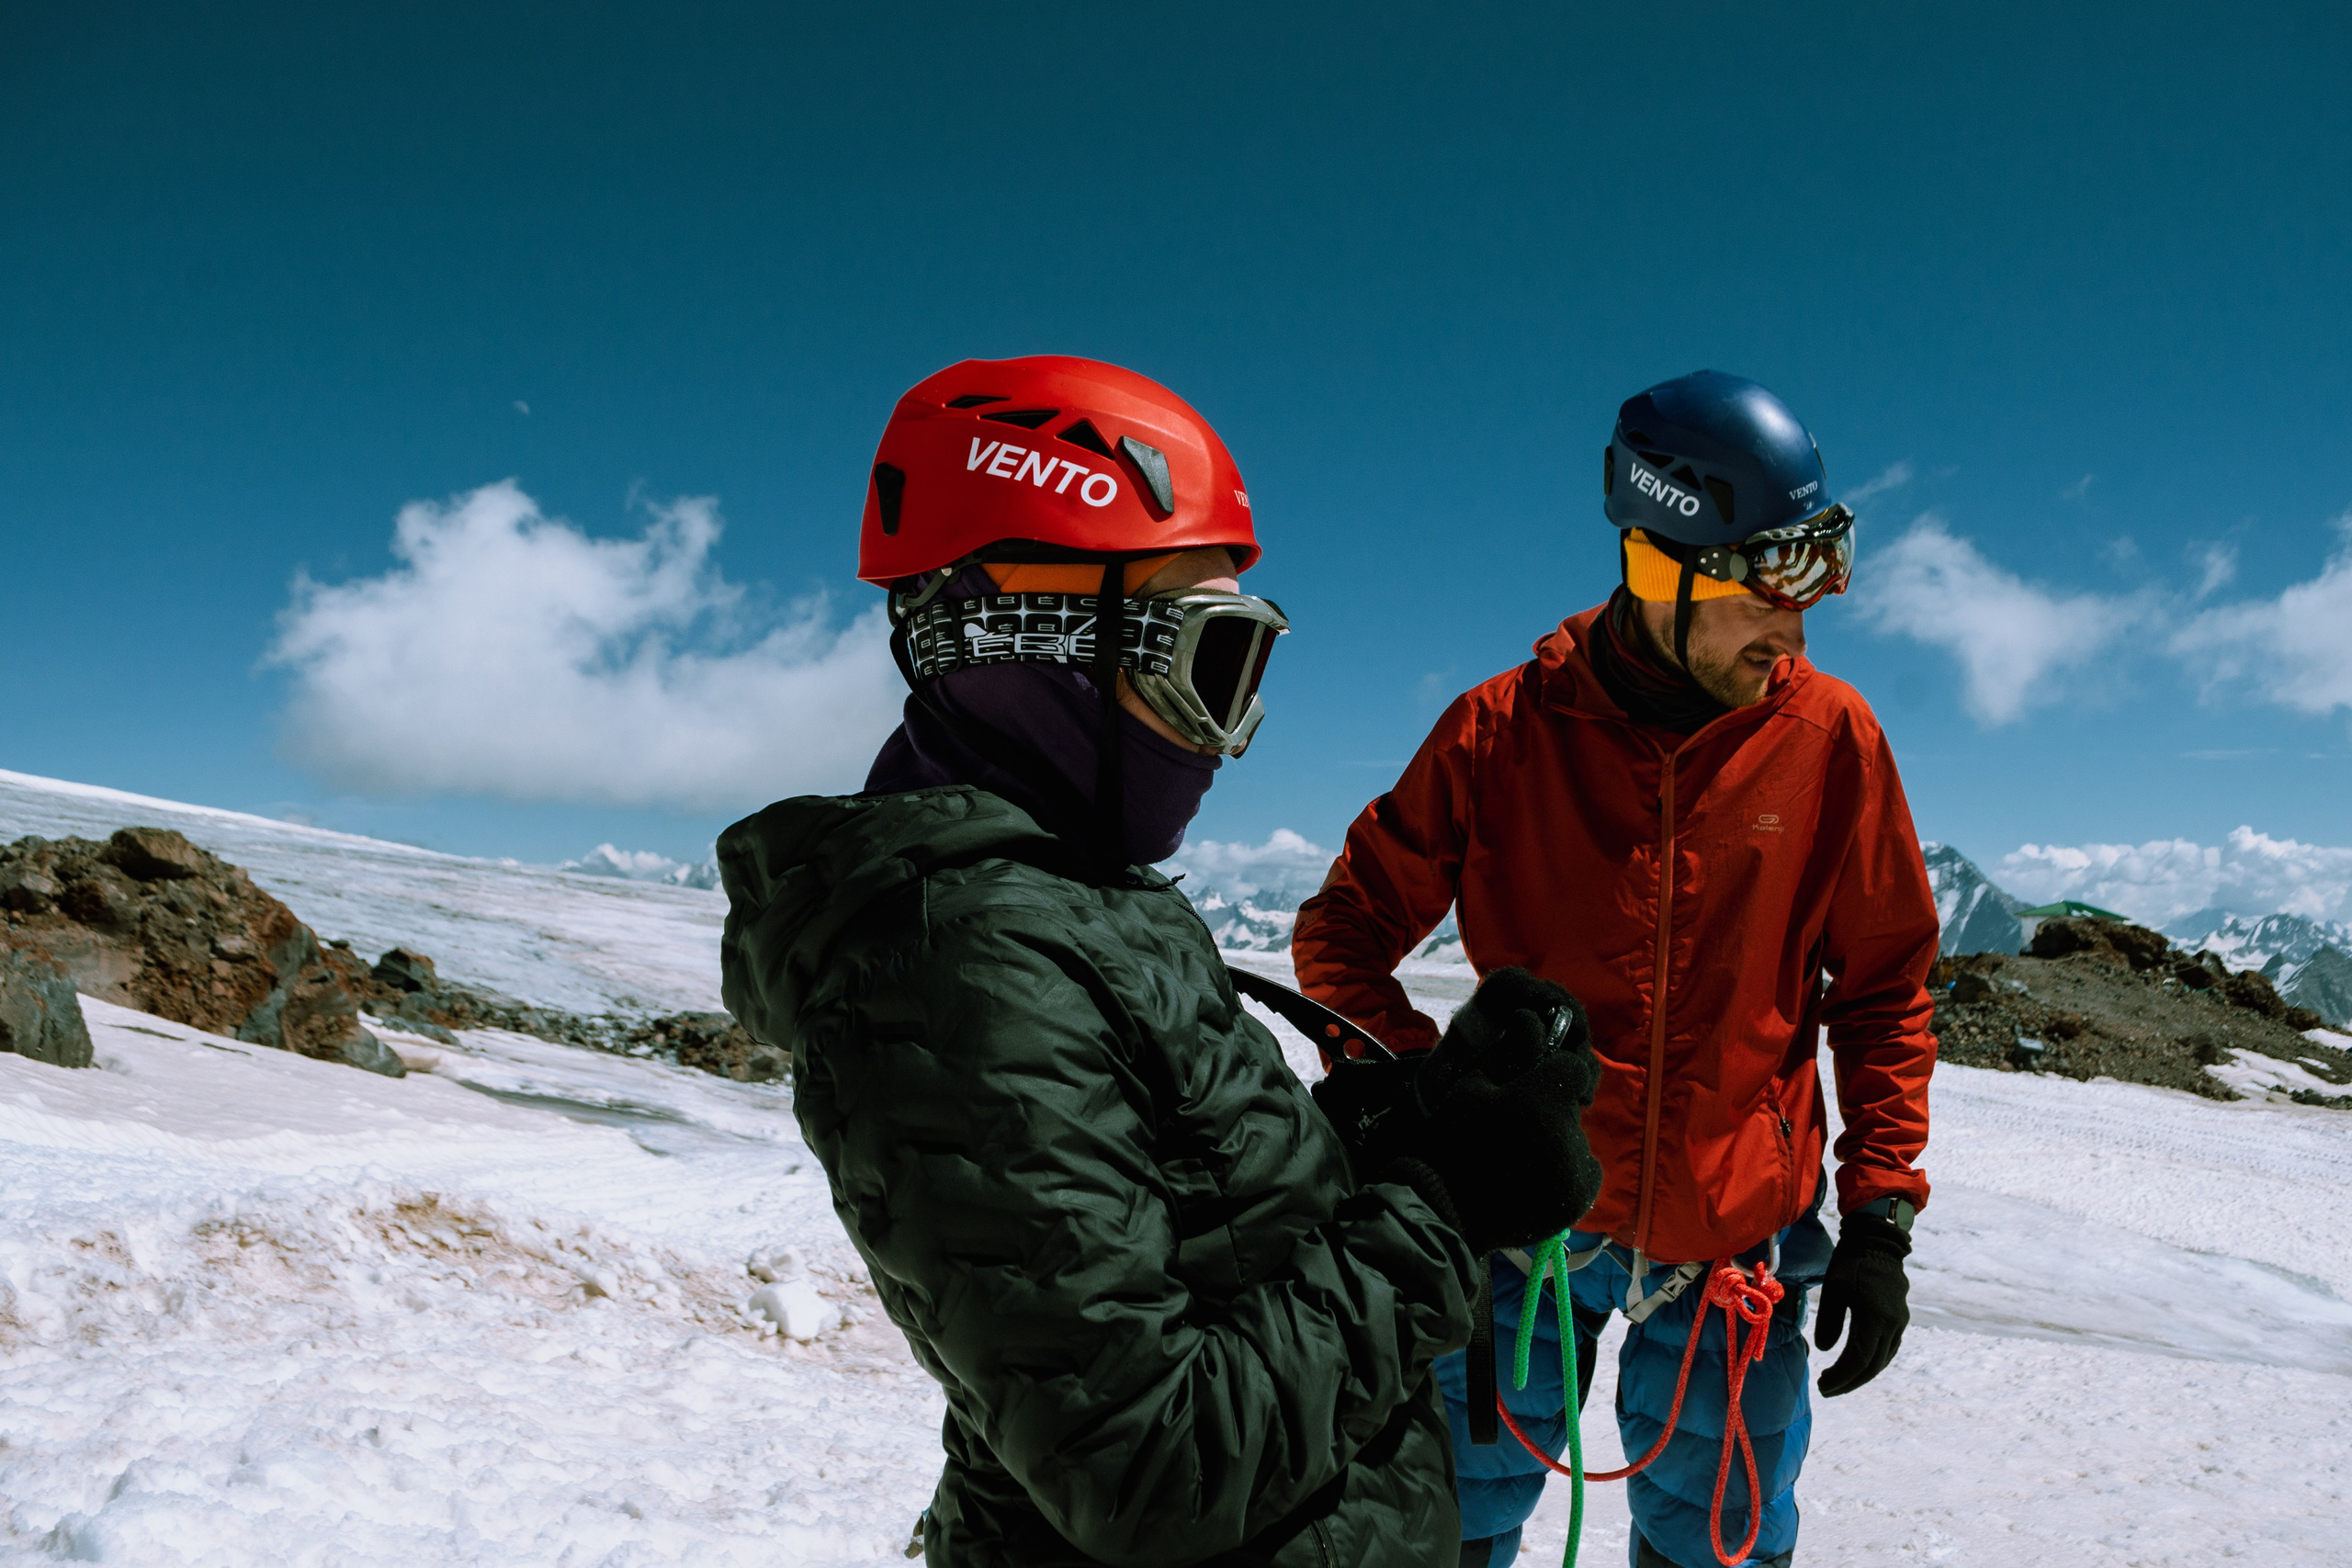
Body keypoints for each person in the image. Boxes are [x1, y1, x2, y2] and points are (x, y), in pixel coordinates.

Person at [717, 355, 1601, 1567]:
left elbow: (1185, 1214)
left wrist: (1399, 1131)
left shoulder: (1075, 899)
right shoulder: (960, 969)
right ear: (1035, 644)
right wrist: (1440, 1211)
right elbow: (1151, 1464)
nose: (1224, 739)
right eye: (1207, 663)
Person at [1291, 370, 1939, 1568]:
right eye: (1769, 585)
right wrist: (1436, 1115)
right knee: (1449, 1531)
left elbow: (1886, 990)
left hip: (1735, 1235)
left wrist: (1882, 1217)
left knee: (1720, 1550)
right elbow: (1345, 936)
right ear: (1665, 566)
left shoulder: (1831, 742)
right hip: (1517, 1234)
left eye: (1816, 583)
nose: (1796, 628)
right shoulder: (1501, 734)